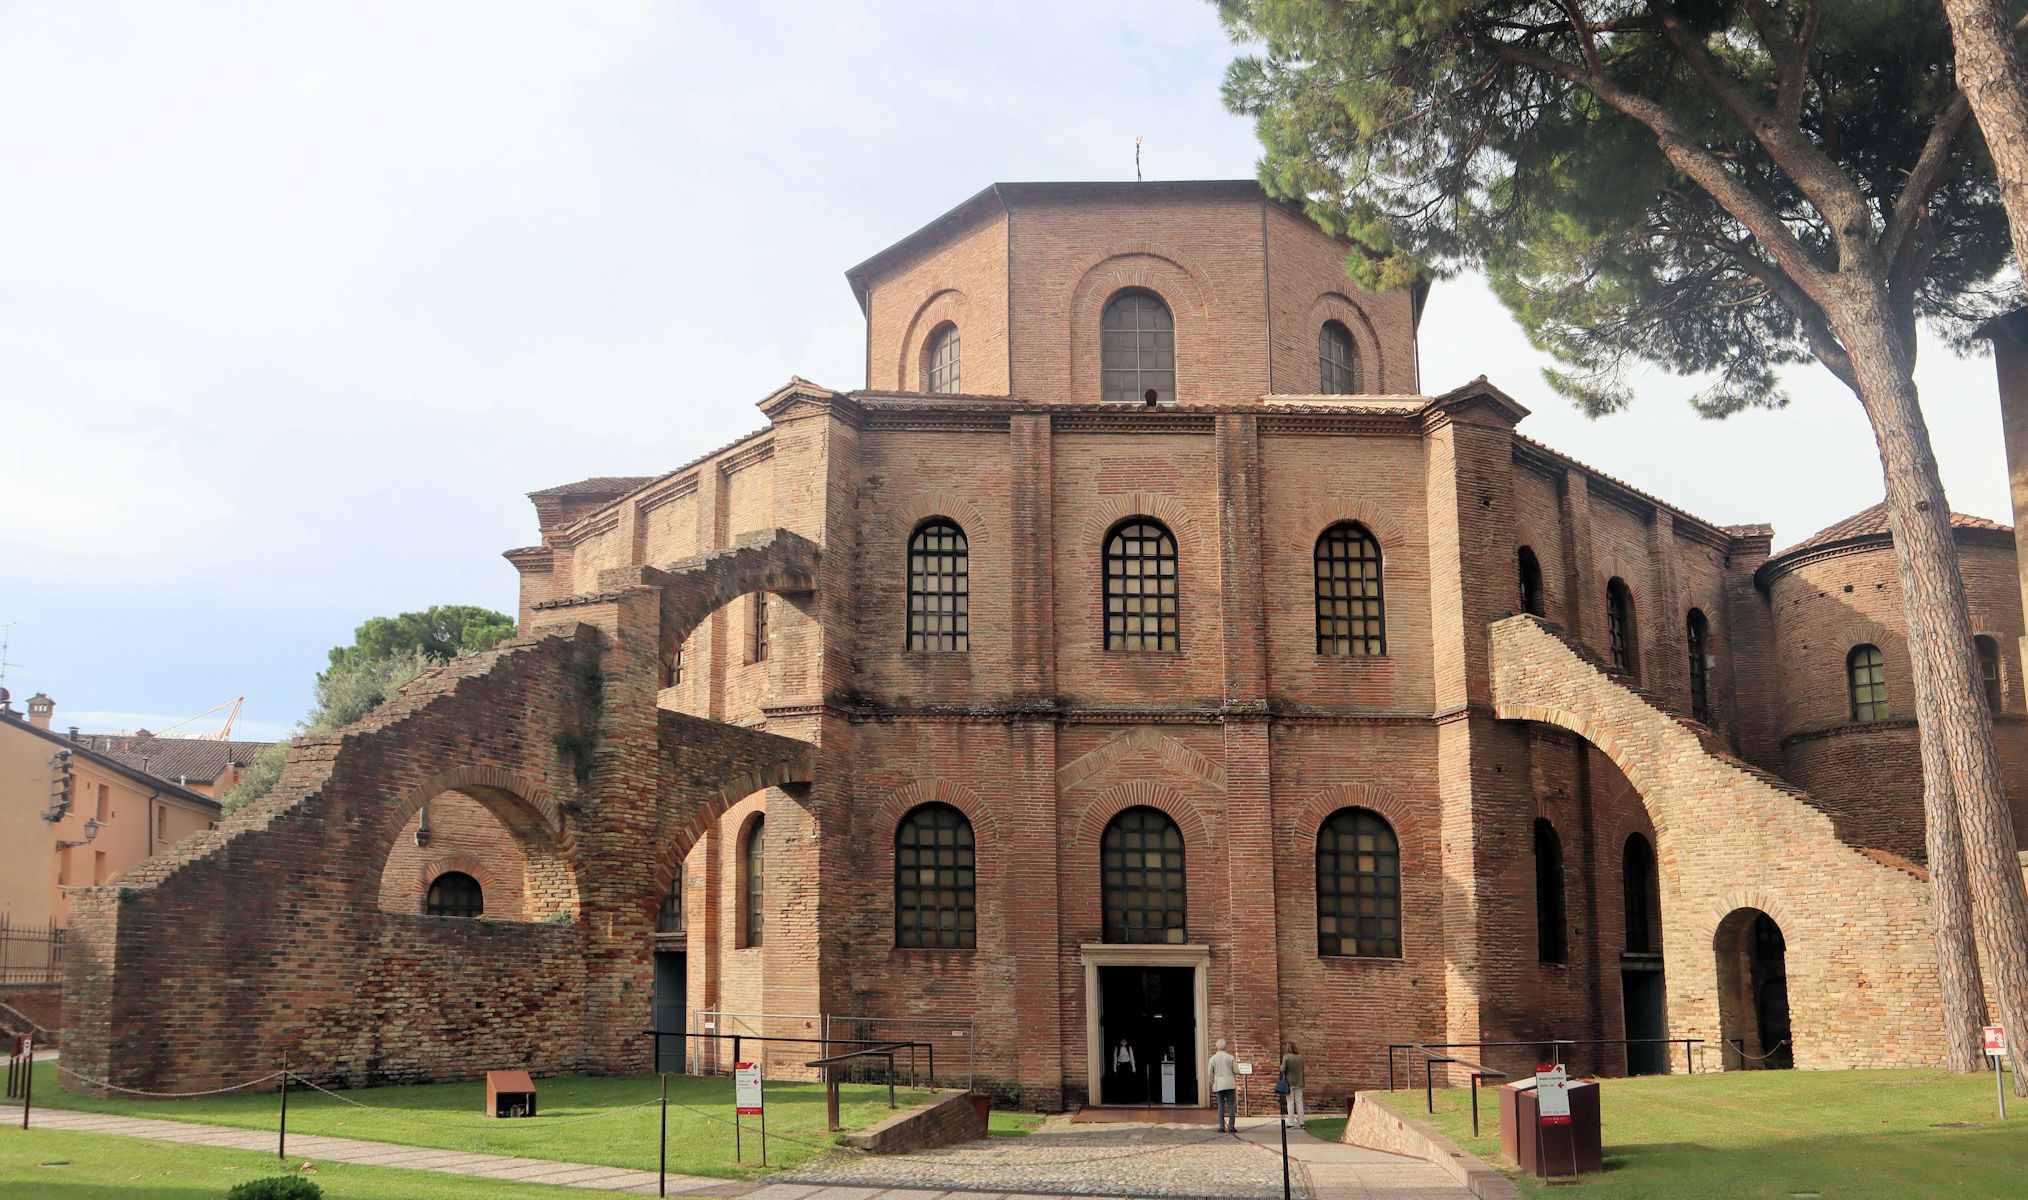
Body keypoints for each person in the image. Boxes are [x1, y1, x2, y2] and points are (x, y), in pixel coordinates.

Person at [1208, 1037, 1239, 1132]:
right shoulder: (1230, 1057)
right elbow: (1236, 1071)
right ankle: (1231, 1126)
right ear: (1225, 1047)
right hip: (1229, 1083)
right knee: (1230, 1105)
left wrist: (1213, 1083)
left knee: (1221, 1105)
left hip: (1219, 1084)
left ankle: (1221, 1127)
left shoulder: (1212, 1059)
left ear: (1217, 1047)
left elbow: (1210, 1074)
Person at [1280, 1041, 1306, 1129]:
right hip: (1299, 1082)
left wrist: (1281, 1066)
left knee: (1290, 1103)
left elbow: (1282, 1069)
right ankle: (1302, 1122)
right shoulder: (1300, 1057)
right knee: (1299, 1102)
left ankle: (1291, 1123)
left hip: (1289, 1082)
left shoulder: (1286, 1057)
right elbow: (1302, 1068)